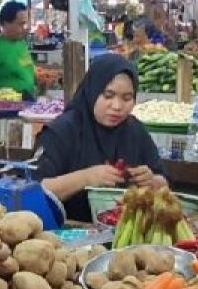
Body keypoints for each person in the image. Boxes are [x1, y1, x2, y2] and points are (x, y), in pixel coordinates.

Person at [35, 54, 168, 223]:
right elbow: (35, 191)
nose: (117, 106)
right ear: (92, 91)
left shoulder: (135, 131)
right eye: (108, 95)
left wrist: (152, 182)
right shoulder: (61, 132)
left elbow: (163, 182)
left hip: (123, 231)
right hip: (65, 233)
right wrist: (86, 178)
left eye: (127, 98)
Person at [0, 0, 37, 100]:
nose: (24, 28)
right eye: (20, 24)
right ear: (6, 23)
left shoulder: (21, 43)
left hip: (29, 99)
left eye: (25, 23)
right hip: (9, 104)